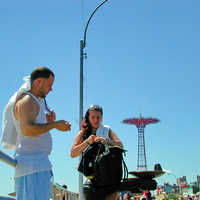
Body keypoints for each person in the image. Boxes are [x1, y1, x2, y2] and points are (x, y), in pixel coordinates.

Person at [1, 66, 71, 200]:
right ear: (39, 81)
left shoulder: (33, 101)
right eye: (49, 85)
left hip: (37, 168)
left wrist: (46, 121)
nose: (51, 89)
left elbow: (31, 127)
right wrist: (55, 124)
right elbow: (27, 130)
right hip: (32, 169)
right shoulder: (27, 100)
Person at [70, 105, 123, 200]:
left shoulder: (107, 130)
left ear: (102, 118)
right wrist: (87, 142)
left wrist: (107, 141)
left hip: (108, 175)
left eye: (98, 117)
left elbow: (120, 145)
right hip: (92, 178)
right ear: (88, 118)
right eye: (93, 117)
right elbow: (73, 153)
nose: (95, 120)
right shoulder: (83, 133)